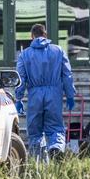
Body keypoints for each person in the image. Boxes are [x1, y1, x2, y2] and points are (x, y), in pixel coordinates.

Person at [15, 24, 76, 157]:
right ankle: (56, 148)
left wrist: (18, 99)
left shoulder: (24, 55)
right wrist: (70, 95)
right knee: (55, 127)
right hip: (54, 94)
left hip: (35, 95)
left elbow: (20, 78)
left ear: (32, 36)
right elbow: (67, 75)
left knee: (35, 131)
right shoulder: (58, 51)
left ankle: (39, 161)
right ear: (45, 35)